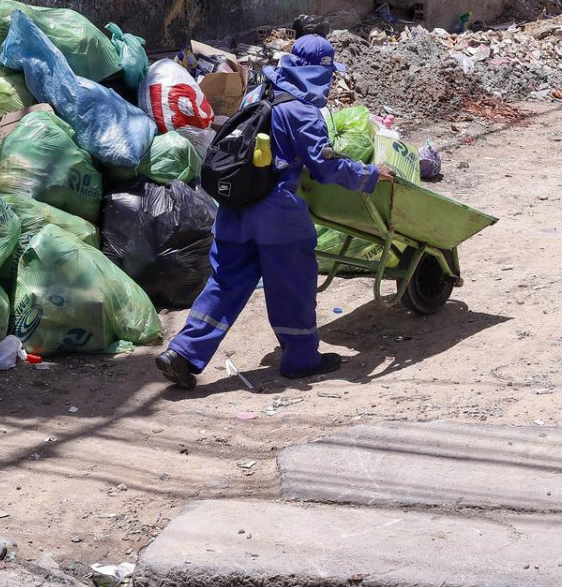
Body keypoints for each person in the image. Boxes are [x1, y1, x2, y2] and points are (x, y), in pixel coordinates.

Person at [155, 34, 395, 389]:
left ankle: (183, 353)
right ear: (318, 73)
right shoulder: (301, 110)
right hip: (276, 217)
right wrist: (370, 175)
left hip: (234, 210)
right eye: (329, 75)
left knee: (224, 284)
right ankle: (301, 359)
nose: (329, 85)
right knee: (292, 285)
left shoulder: (257, 93)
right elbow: (326, 167)